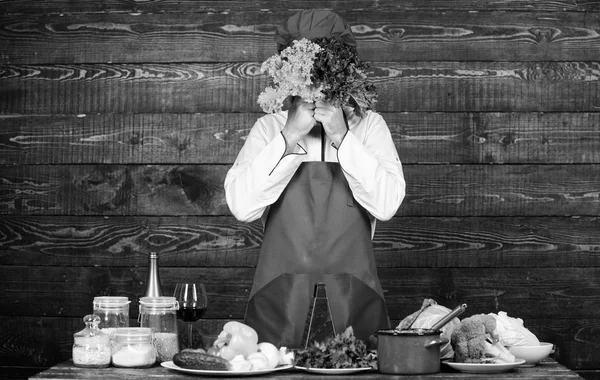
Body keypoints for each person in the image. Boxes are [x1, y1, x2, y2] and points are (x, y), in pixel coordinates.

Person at [224, 9, 406, 348]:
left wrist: (342, 135)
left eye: (325, 62)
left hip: (355, 301)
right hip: (278, 302)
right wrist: (289, 134)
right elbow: (241, 206)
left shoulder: (369, 127)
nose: (314, 77)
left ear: (343, 68)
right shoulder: (268, 128)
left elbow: (386, 204)